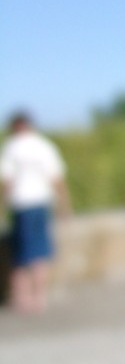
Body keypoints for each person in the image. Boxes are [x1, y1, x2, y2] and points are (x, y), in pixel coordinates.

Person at [1, 112, 71, 313]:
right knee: (41, 251)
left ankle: (21, 298)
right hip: (41, 202)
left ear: (15, 126)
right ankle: (40, 297)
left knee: (20, 254)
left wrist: (2, 207)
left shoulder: (12, 146)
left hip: (21, 204)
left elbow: (7, 181)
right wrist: (64, 206)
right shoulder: (45, 145)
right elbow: (56, 178)